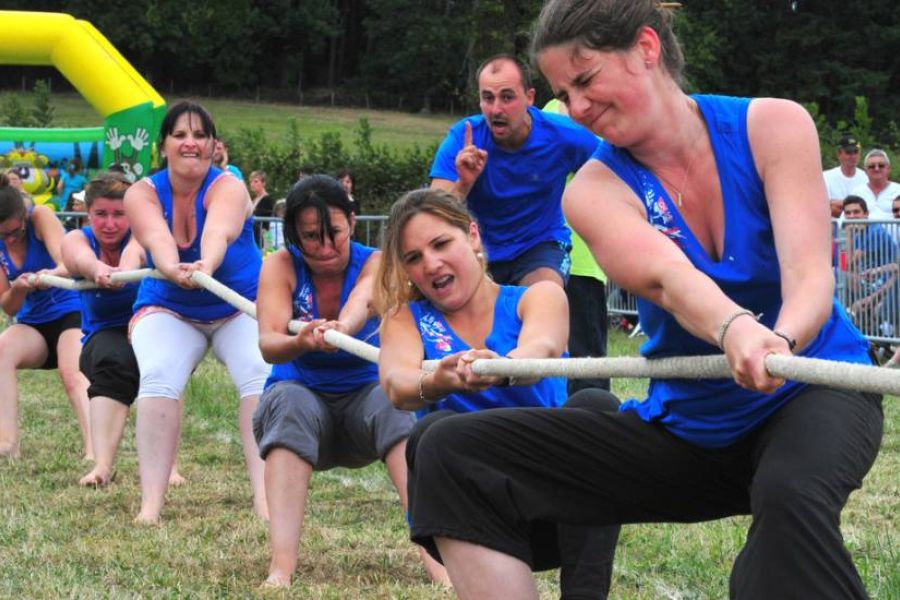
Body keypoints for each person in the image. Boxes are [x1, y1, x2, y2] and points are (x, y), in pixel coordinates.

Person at [400, 2, 884, 598]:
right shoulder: (592, 191)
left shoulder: (775, 126)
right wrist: (733, 328)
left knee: (787, 504)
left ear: (646, 49)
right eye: (563, 93)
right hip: (693, 431)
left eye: (585, 80)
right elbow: (665, 278)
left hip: (813, 392)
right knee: (446, 448)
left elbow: (810, 277)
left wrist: (779, 342)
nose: (577, 107)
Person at [376, 189, 620, 598]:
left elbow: (541, 345)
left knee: (598, 406)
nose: (430, 264)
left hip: (557, 504)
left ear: (472, 235)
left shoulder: (538, 296)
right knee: (432, 431)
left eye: (441, 244)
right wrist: (440, 381)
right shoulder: (404, 319)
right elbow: (398, 384)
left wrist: (502, 368)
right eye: (413, 258)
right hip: (472, 512)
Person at [252, 175, 446, 587]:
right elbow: (269, 343)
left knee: (396, 404)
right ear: (294, 236)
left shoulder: (376, 261)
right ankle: (281, 569)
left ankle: (441, 567)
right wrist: (301, 341)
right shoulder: (280, 266)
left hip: (365, 403)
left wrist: (342, 327)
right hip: (300, 399)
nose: (325, 247)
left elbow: (364, 298)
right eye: (311, 237)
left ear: (353, 223)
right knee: (289, 404)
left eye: (335, 233)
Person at [124, 101, 270, 524]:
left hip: (238, 306)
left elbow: (218, 231)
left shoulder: (230, 187)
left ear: (213, 145)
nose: (191, 143)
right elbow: (156, 238)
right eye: (180, 135)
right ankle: (151, 505)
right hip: (168, 306)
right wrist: (172, 268)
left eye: (200, 135)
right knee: (158, 375)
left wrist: (206, 265)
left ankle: (266, 500)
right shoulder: (141, 193)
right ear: (163, 145)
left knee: (258, 374)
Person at [430, 54, 599, 288]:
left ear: (529, 97)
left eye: (507, 97)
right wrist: (464, 184)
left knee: (543, 295)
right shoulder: (463, 139)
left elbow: (615, 169)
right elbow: (432, 216)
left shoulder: (564, 136)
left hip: (540, 246)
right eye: (488, 98)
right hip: (478, 250)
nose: (496, 109)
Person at [61, 172, 184, 486]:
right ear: (88, 213)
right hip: (103, 334)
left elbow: (136, 250)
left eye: (119, 214)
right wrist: (97, 269)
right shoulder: (77, 239)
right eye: (101, 214)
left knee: (162, 368)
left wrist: (124, 271)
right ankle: (102, 466)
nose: (110, 223)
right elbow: (79, 258)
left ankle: (169, 467)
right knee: (112, 360)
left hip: (149, 325)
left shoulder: (144, 237)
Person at [0, 172, 91, 460]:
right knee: (2, 350)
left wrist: (47, 275)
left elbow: (69, 264)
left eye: (15, 232)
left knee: (71, 372)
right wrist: (19, 288)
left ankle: (95, 450)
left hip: (70, 310)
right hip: (34, 323)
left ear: (23, 217)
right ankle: (7, 444)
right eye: (2, 235)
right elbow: (8, 307)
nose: (9, 239)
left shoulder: (40, 216)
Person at [842, 195, 899, 337]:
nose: (852, 216)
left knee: (838, 275)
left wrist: (848, 234)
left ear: (866, 214)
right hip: (867, 283)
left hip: (884, 284)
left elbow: (848, 263)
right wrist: (847, 238)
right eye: (848, 213)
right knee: (837, 273)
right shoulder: (857, 234)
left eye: (856, 212)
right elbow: (844, 266)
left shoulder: (875, 231)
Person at [823, 133, 868, 218]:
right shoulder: (826, 177)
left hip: (861, 224)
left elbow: (868, 206)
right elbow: (825, 207)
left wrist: (839, 204)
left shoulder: (867, 177)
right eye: (848, 152)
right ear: (839, 154)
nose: (853, 156)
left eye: (855, 152)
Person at [849, 149, 900, 220]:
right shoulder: (857, 192)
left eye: (881, 165)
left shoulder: (898, 190)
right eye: (872, 166)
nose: (876, 169)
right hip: (864, 228)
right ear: (865, 171)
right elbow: (845, 218)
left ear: (888, 169)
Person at [249, 170, 274, 248]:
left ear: (263, 183)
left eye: (256, 181)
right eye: (251, 182)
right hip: (255, 235)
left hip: (264, 235)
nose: (252, 184)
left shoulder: (268, 199)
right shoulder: (253, 199)